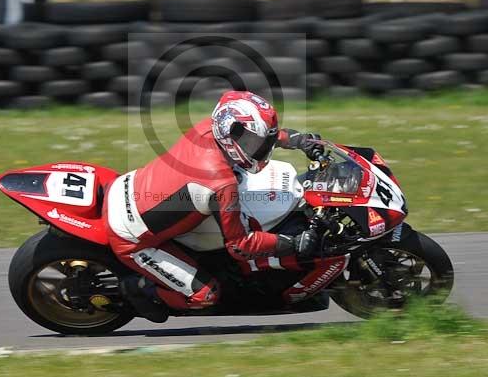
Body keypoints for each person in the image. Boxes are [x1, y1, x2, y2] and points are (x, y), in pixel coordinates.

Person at [105, 90, 324, 322]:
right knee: (206, 295)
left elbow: (260, 135)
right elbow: (240, 246)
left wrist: (298, 140)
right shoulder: (220, 182)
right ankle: (140, 290)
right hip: (133, 238)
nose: (258, 149)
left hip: (130, 187)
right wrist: (292, 243)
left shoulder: (209, 128)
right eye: (252, 143)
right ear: (230, 133)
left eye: (259, 141)